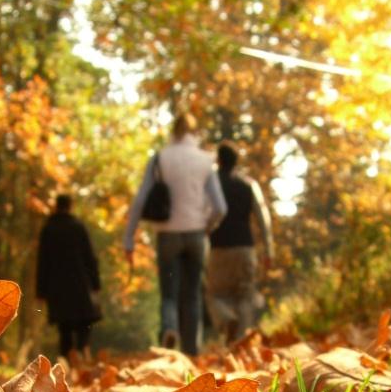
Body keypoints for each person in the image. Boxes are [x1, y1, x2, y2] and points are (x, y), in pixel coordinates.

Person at [124, 113, 227, 355]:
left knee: (169, 293)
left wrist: (129, 238)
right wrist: (208, 225)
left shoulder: (160, 158)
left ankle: (170, 330)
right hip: (196, 233)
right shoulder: (205, 160)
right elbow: (221, 207)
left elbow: (140, 200)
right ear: (194, 132)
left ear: (173, 131)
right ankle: (192, 352)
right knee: (192, 294)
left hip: (167, 234)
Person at [206, 142, 274, 343]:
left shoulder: (211, 185)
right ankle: (241, 343)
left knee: (215, 295)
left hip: (218, 249)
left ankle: (226, 320)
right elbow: (264, 219)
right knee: (245, 297)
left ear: (218, 160)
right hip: (245, 248)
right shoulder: (249, 185)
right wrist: (269, 251)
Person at [36, 193, 102, 360]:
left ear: (56, 206)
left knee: (64, 327)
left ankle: (67, 361)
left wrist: (41, 291)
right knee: (84, 322)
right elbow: (90, 257)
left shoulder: (48, 229)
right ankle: (81, 352)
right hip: (80, 283)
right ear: (70, 206)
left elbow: (43, 261)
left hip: (57, 287)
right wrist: (95, 283)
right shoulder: (78, 227)